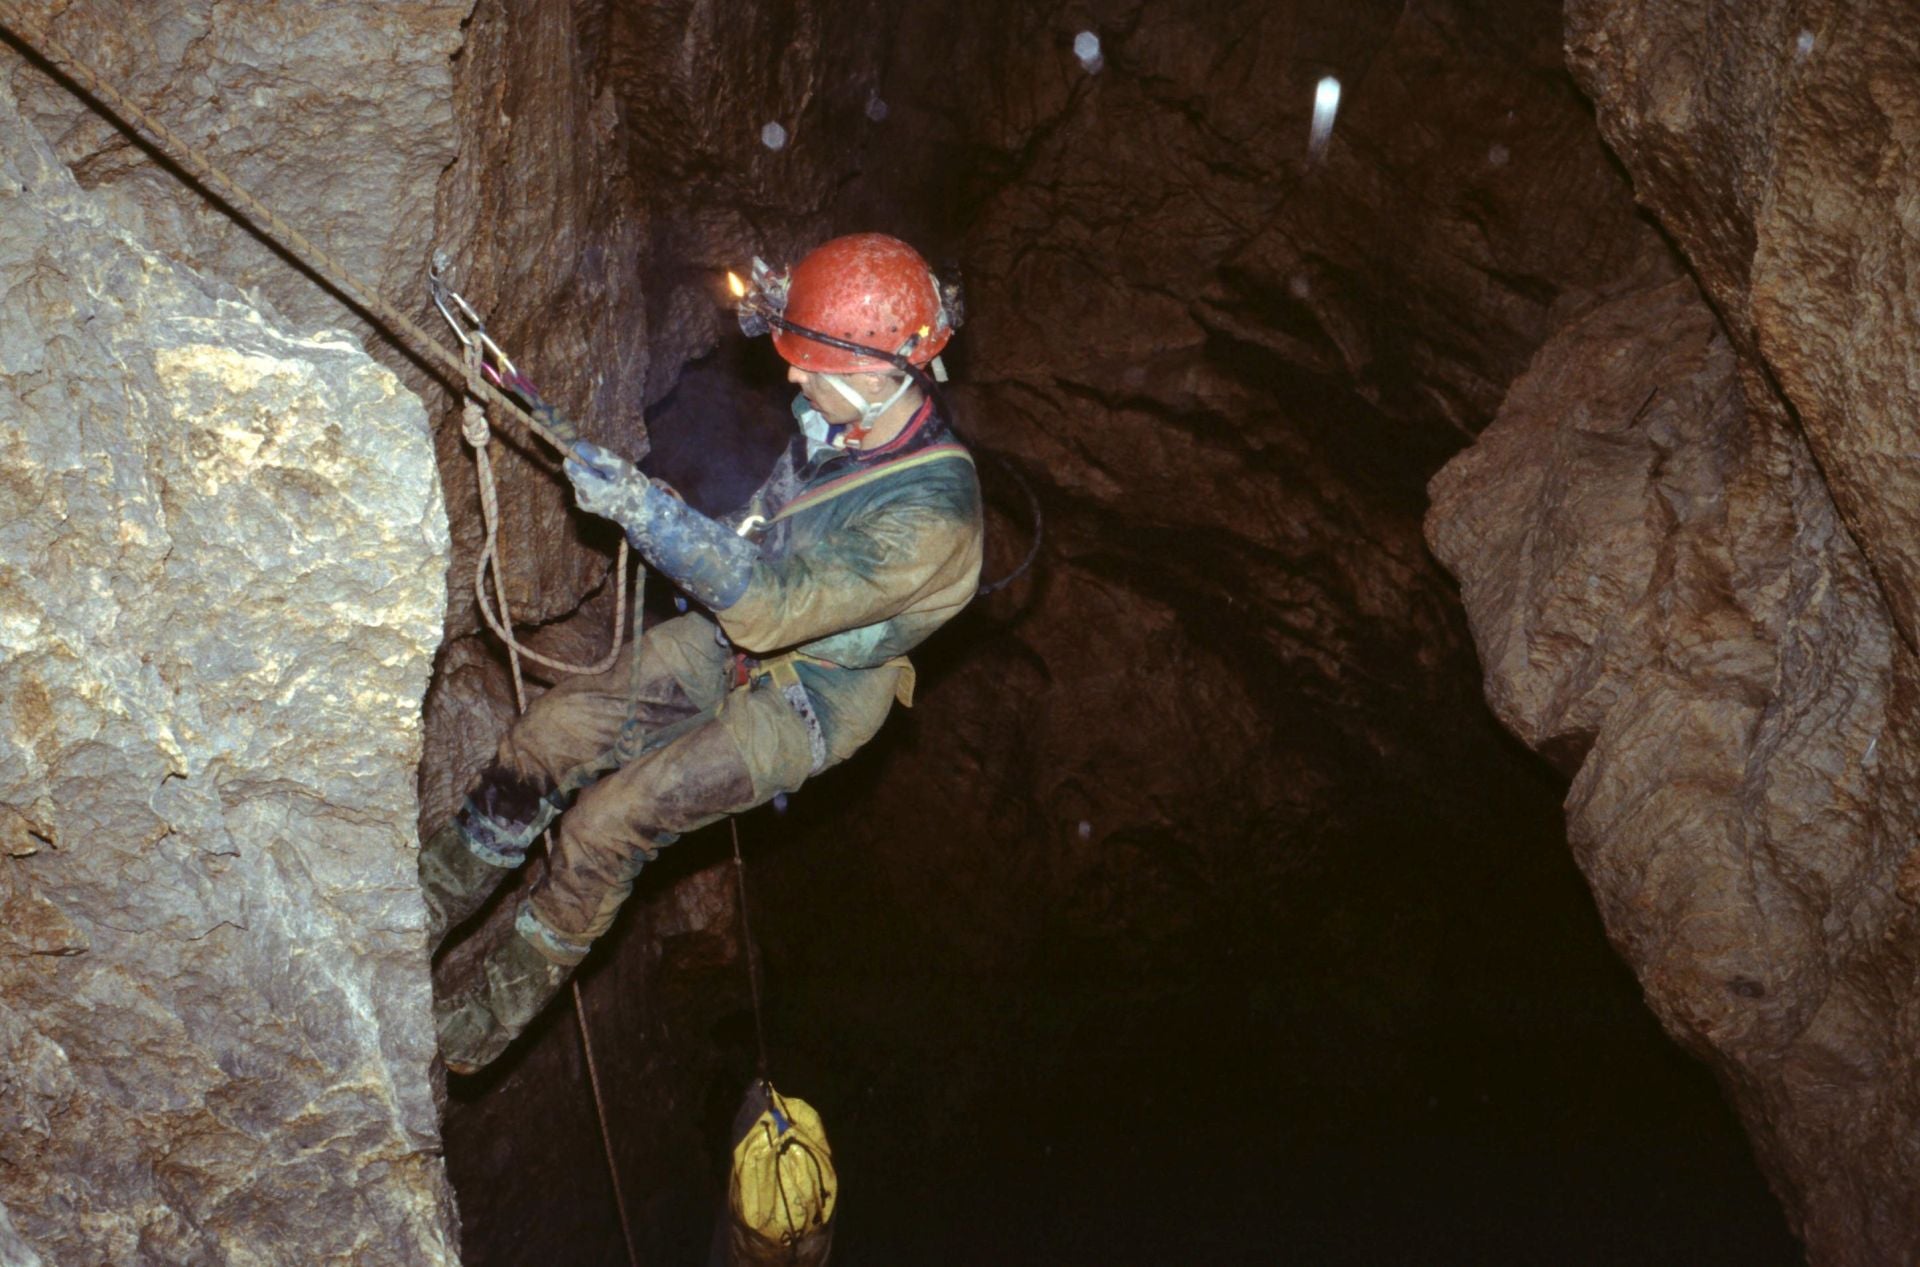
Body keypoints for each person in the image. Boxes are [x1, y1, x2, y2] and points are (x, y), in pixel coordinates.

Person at [421, 233, 984, 1073]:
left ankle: (471, 1032)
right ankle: (420, 906)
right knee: (555, 731)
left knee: (606, 826)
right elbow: (761, 540)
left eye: (810, 363)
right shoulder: (849, 415)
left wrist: (649, 515)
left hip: (813, 696)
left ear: (879, 372)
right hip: (737, 634)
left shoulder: (933, 516)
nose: (791, 377)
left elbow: (772, 606)